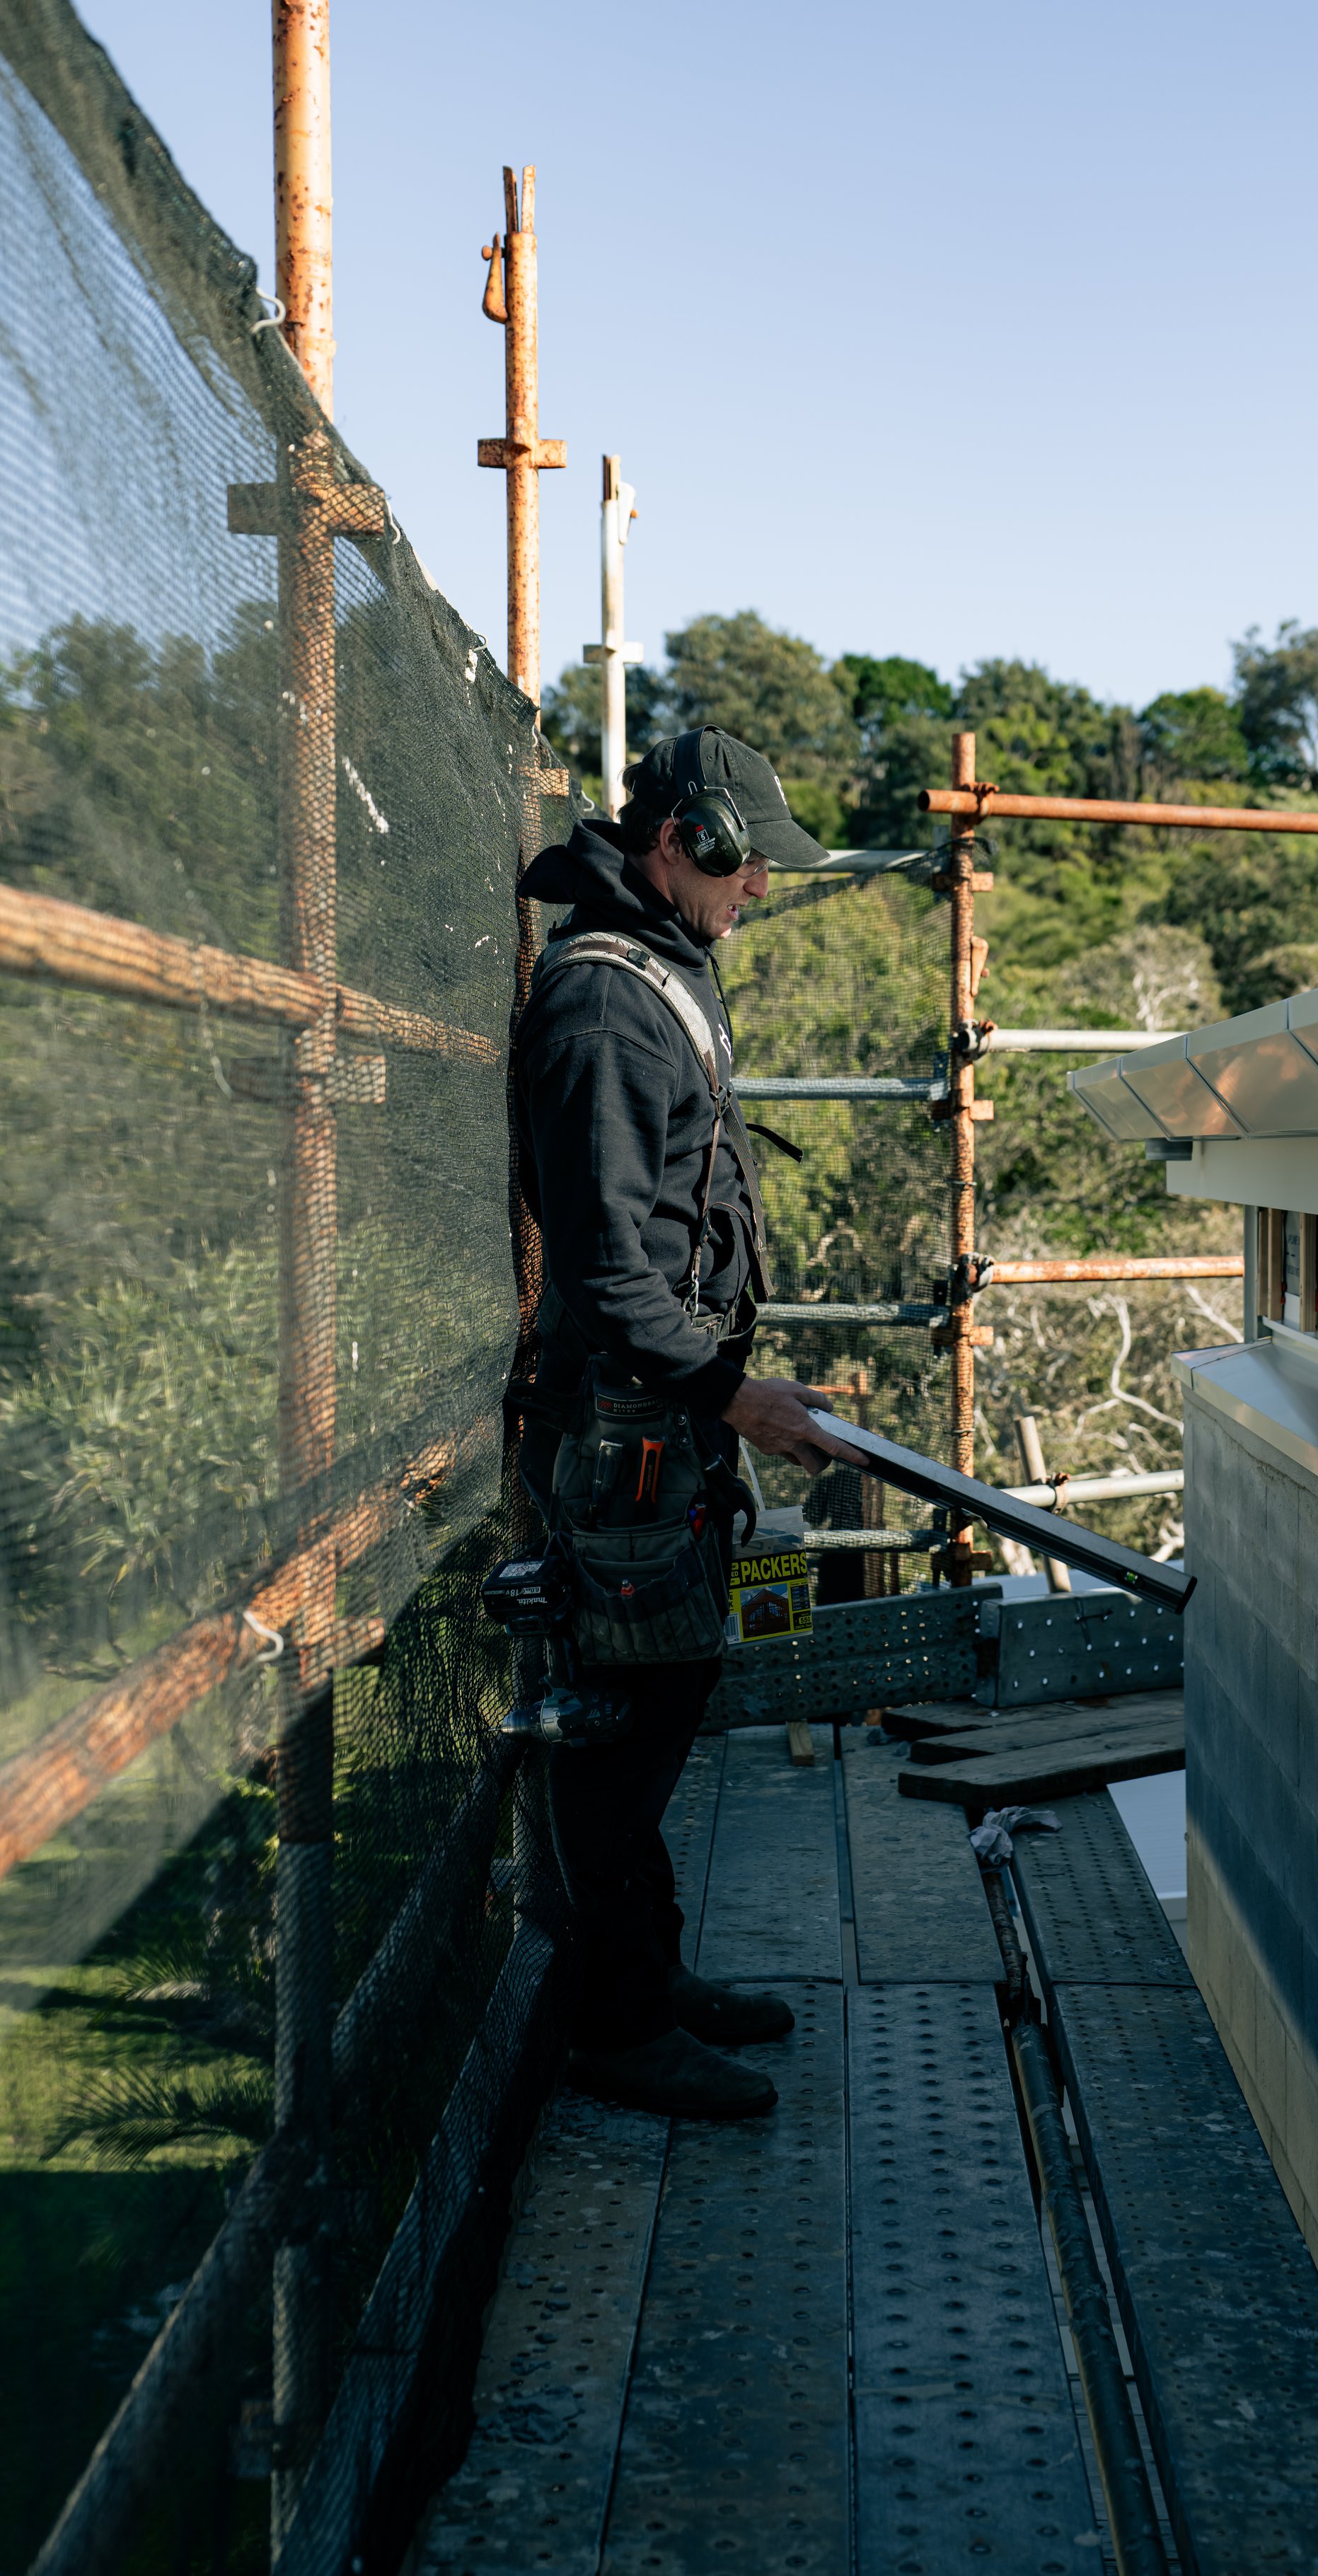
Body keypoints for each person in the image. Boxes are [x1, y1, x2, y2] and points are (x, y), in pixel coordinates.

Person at [512, 726, 864, 2120]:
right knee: (622, 1724)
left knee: (657, 1702)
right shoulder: (603, 1010)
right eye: (750, 863)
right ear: (688, 839)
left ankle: (645, 1981)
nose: (758, 891)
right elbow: (604, 1269)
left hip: (661, 1418)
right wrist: (734, 1395)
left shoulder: (656, 978)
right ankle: (614, 2023)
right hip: (628, 1424)